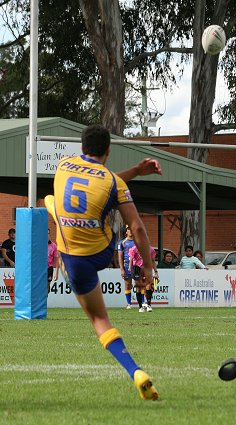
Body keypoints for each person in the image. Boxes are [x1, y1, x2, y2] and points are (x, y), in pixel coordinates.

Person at [45, 124, 161, 401]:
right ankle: (138, 373)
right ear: (108, 151)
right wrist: (147, 266)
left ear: (81, 147)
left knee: (99, 320)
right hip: (102, 250)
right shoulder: (113, 181)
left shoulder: (63, 166)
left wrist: (133, 172)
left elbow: (96, 185)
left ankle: (135, 371)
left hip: (73, 259)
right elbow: (138, 227)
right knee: (110, 207)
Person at [129, 244, 158, 312]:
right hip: (137, 268)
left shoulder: (150, 249)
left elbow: (153, 261)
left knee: (148, 286)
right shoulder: (134, 248)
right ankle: (140, 307)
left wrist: (156, 271)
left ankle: (149, 305)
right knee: (138, 287)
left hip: (147, 268)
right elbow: (131, 259)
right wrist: (130, 268)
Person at [118, 225, 135, 309]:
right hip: (127, 265)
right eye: (128, 229)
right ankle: (129, 304)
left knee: (140, 284)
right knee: (128, 284)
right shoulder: (122, 242)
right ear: (126, 231)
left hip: (137, 265)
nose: (130, 230)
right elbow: (120, 256)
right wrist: (121, 269)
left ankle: (142, 303)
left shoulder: (138, 241)